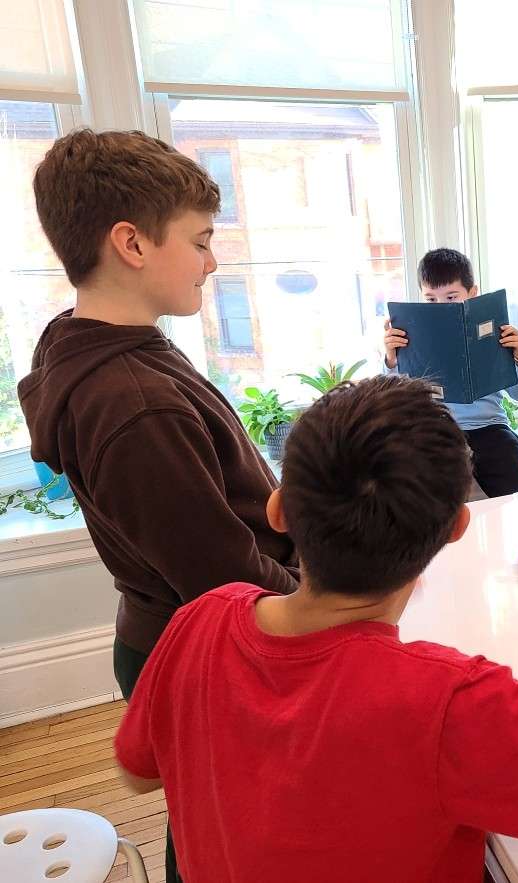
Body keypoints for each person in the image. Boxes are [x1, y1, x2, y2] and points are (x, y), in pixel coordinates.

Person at [113, 375, 518, 882]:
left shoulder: (201, 619)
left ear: (279, 510)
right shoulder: (444, 702)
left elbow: (137, 773)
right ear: (456, 527)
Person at [19, 129, 299, 881]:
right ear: (132, 243)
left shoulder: (95, 344)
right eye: (200, 240)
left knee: (209, 811)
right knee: (223, 836)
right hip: (209, 649)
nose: (213, 261)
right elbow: (223, 577)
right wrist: (326, 602)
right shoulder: (135, 402)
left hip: (174, 639)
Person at [384, 247, 518, 497]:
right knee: (419, 489)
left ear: (472, 293)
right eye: (431, 299)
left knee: (517, 487)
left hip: (490, 427)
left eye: (451, 297)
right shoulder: (411, 334)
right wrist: (391, 359)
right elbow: (394, 400)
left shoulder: (497, 330)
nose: (441, 305)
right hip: (437, 431)